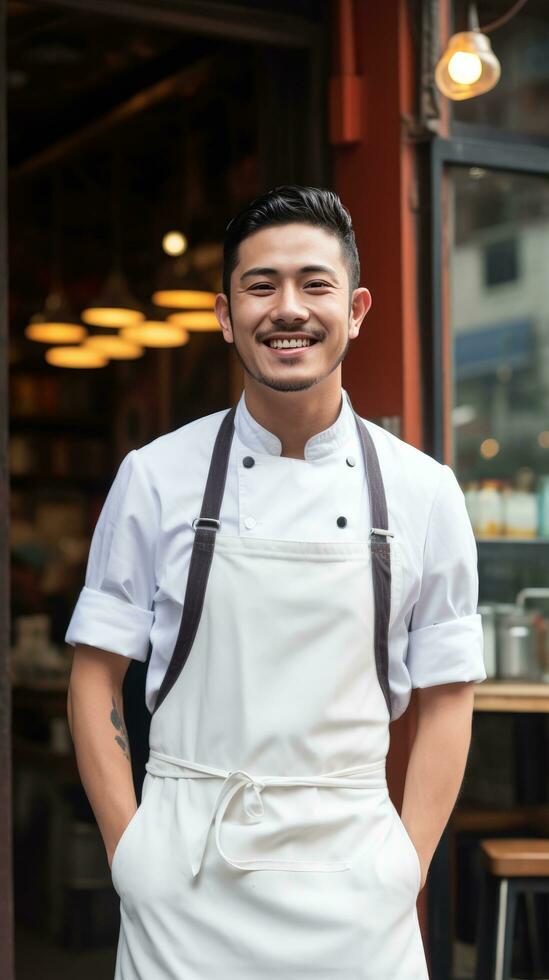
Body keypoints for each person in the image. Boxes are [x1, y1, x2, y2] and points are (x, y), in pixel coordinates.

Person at [66, 185, 486, 979]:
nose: (286, 308)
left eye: (313, 284)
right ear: (224, 315)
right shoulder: (155, 477)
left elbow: (447, 696)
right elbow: (94, 679)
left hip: (357, 887)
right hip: (184, 886)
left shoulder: (425, 492)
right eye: (260, 286)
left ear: (356, 309)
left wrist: (406, 867)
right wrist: (134, 857)